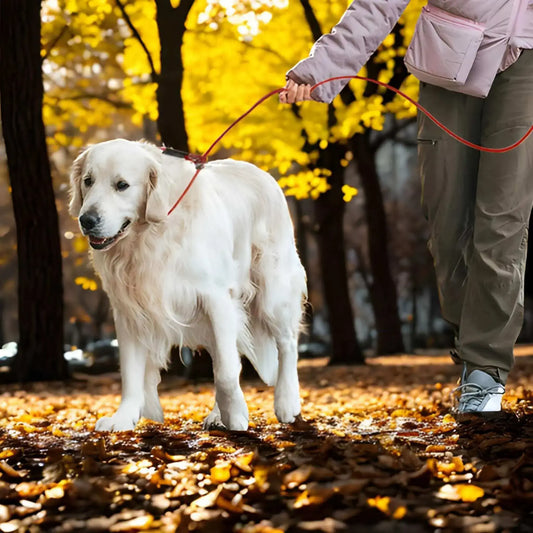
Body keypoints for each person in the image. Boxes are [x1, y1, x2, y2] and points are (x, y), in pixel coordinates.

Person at [280, 0, 533, 414]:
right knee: (447, 226)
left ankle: (483, 369)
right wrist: (319, 71)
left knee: (502, 221)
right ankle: (471, 339)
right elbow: (375, 5)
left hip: (527, 64)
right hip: (452, 58)